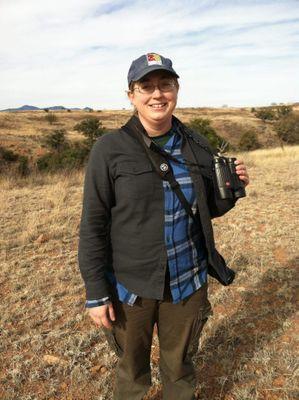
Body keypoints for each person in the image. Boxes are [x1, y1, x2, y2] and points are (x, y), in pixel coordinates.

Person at [78, 52, 249, 400]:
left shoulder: (196, 143)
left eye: (165, 85)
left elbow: (202, 210)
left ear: (176, 89)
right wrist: (96, 291)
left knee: (180, 367)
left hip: (188, 280)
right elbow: (93, 224)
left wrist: (231, 192)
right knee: (131, 371)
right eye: (147, 86)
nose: (157, 94)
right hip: (130, 286)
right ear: (131, 95)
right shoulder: (109, 149)